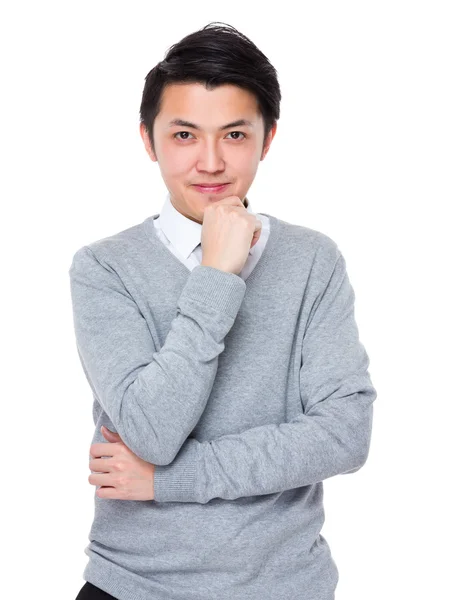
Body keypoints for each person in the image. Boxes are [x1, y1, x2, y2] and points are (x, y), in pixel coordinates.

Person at [70, 21, 377, 600]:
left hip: (286, 587)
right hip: (132, 586)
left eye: (234, 135)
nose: (209, 162)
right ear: (148, 139)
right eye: (184, 135)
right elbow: (152, 431)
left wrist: (169, 481)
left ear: (267, 140)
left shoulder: (313, 260)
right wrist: (217, 275)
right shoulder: (104, 268)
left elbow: (345, 435)